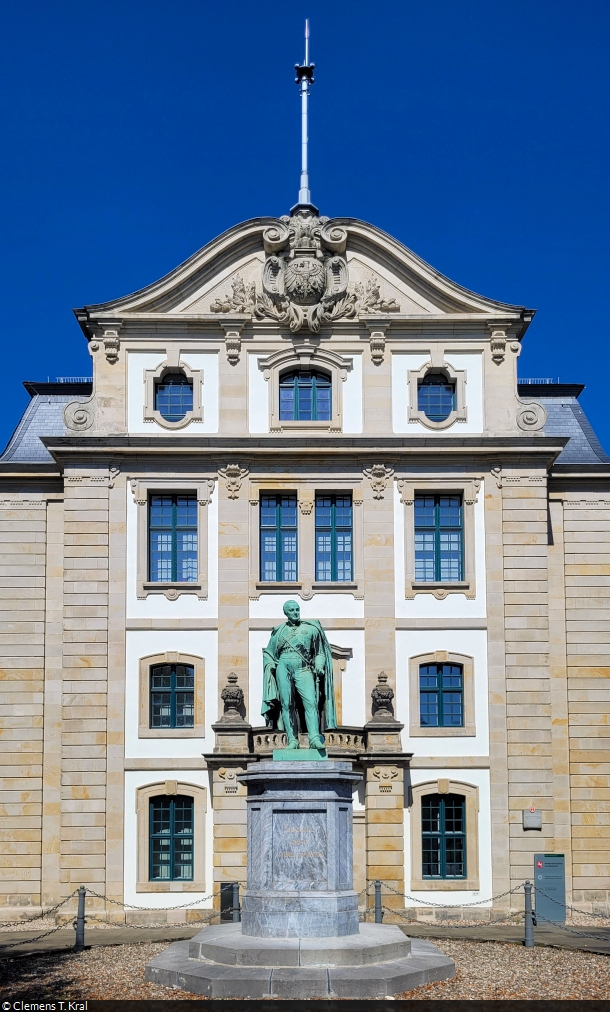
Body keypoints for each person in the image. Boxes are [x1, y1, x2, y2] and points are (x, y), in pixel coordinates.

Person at [261, 600, 337, 749]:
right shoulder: (279, 632)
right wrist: (270, 665)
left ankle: (314, 738)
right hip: (283, 667)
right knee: (287, 704)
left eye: (297, 609)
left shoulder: (311, 629)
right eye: (292, 610)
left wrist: (320, 665)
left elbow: (319, 652)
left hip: (304, 668)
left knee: (310, 702)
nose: (295, 612)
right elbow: (269, 653)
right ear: (286, 613)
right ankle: (292, 740)